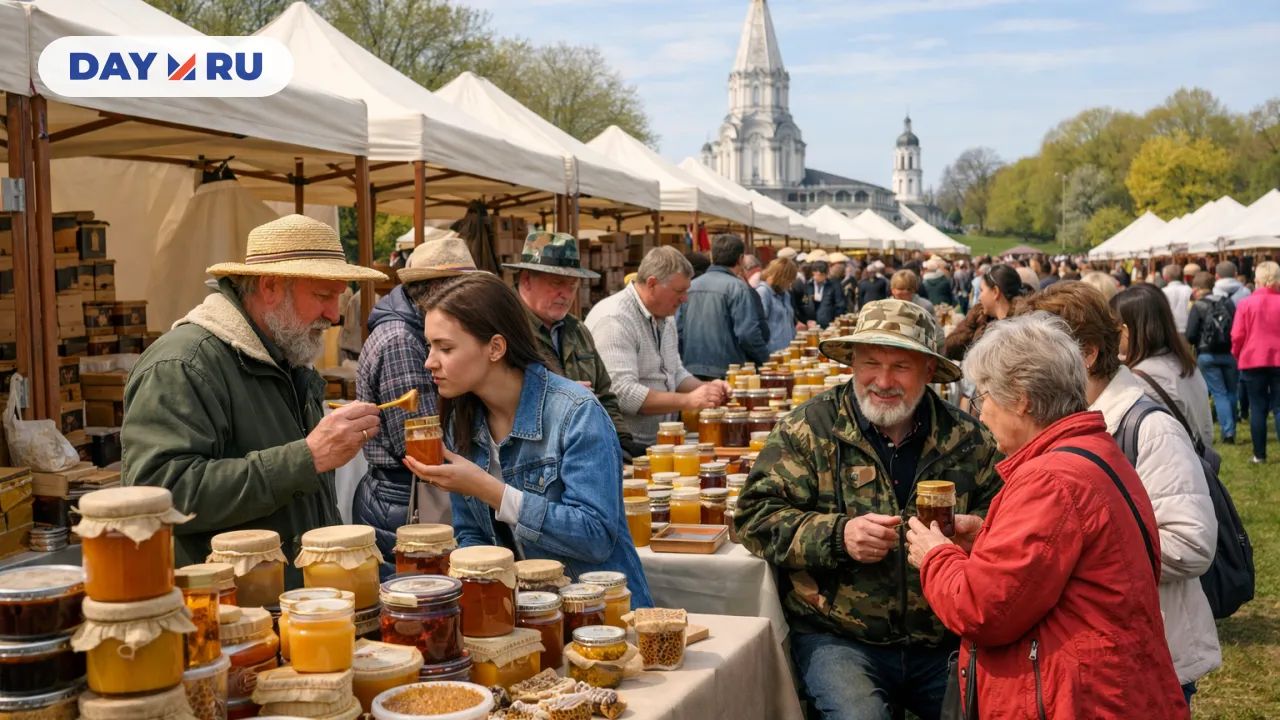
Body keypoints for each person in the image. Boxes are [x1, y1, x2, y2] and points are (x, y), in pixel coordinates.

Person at [905, 313, 1188, 718]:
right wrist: (988, 537)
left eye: (984, 397)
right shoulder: (1090, 451)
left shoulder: (1049, 479)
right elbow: (1064, 559)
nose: (981, 414)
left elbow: (983, 610)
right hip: (1111, 688)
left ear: (1021, 398)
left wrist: (935, 556)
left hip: (1080, 700)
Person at [736, 299, 1002, 720]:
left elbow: (1010, 521)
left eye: (901, 367)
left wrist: (980, 532)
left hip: (944, 636)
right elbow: (754, 517)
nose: (883, 380)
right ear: (852, 364)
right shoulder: (810, 428)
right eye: (870, 363)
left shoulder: (969, 438)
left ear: (929, 370)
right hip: (840, 635)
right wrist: (838, 536)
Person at [122, 215, 386, 587]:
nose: (334, 314)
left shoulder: (286, 354)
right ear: (270, 287)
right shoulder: (182, 364)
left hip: (292, 601)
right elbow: (158, 496)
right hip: (224, 608)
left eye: (338, 296)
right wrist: (306, 458)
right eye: (323, 296)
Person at [1020, 282, 1220, 705]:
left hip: (1149, 656)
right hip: (1092, 653)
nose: (1028, 370)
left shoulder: (1148, 428)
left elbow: (1192, 543)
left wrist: (1077, 555)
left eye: (1039, 355)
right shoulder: (1064, 420)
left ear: (1088, 354)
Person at [406, 273, 653, 605]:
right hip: (521, 615)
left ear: (495, 348)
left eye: (445, 348)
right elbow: (472, 535)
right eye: (429, 346)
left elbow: (595, 537)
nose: (429, 362)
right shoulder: (461, 421)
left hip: (598, 612)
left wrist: (490, 490)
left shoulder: (575, 412)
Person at [354, 232, 479, 571]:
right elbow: (419, 448)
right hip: (404, 500)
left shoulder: (411, 330)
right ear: (438, 291)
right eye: (464, 292)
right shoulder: (402, 341)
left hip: (402, 496)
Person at [503, 231, 638, 456]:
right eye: (557, 283)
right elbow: (495, 401)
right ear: (526, 280)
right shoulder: (506, 330)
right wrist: (558, 396)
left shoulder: (577, 330)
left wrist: (621, 442)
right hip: (529, 460)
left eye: (573, 285)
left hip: (584, 453)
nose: (565, 294)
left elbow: (605, 396)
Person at [584, 247, 730, 446]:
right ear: (652, 284)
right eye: (679, 291)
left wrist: (707, 389)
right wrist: (689, 401)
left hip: (660, 442)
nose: (685, 298)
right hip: (625, 448)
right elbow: (623, 393)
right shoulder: (614, 319)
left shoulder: (664, 314)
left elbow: (674, 373)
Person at [1112, 284, 1214, 448]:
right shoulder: (1185, 364)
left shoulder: (1139, 379)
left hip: (1171, 457)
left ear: (1125, 331)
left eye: (1113, 330)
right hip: (1198, 456)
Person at [676, 233, 770, 378]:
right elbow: (747, 334)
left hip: (691, 371)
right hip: (728, 372)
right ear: (741, 259)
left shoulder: (690, 286)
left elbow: (678, 331)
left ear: (712, 256)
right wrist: (766, 360)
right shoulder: (739, 288)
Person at [1232, 261, 1280, 464]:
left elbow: (1237, 335)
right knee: (1279, 407)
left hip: (1252, 358)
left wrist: (1237, 354)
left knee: (1257, 407)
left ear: (1257, 279)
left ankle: (1259, 454)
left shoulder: (1246, 304)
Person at [1188, 271, 1239, 443]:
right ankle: (1231, 427)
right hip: (1229, 353)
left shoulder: (1198, 306)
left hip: (1207, 355)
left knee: (1219, 393)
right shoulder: (1228, 302)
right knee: (1231, 392)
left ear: (1197, 288)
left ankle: (1228, 432)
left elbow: (1190, 334)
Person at [942, 263, 1026, 362]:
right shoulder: (982, 320)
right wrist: (970, 325)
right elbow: (951, 349)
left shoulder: (1018, 335)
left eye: (982, 290)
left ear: (995, 292)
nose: (979, 297)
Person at [754, 257, 801, 352]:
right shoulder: (763, 292)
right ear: (781, 277)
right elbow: (758, 326)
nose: (790, 284)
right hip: (772, 352)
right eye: (789, 280)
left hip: (787, 351)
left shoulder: (785, 294)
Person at [796, 260, 844, 328]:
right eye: (819, 274)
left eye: (823, 275)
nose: (821, 277)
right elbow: (803, 304)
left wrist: (835, 319)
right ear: (813, 273)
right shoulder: (807, 286)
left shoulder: (832, 286)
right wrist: (806, 320)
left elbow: (840, 305)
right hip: (811, 324)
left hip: (828, 323)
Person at [1162, 263, 1193, 334]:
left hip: (1169, 331)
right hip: (1187, 330)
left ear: (1165, 277)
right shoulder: (1189, 290)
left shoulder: (1162, 292)